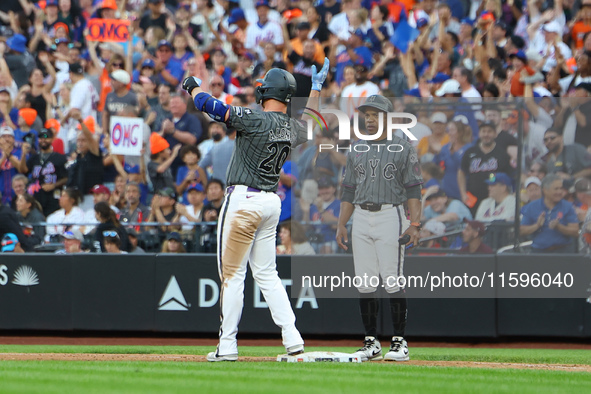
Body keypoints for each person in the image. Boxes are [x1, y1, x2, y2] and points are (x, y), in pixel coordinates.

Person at [181, 57, 331, 361]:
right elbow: (313, 121)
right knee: (267, 274)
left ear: (267, 92)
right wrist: (315, 88)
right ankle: (293, 338)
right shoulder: (291, 127)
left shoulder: (254, 117)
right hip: (270, 202)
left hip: (243, 201)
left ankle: (227, 345)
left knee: (233, 275)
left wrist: (193, 88)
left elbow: (215, 108)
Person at [335, 94, 423, 362]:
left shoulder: (403, 147)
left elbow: (414, 189)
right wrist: (341, 223)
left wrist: (415, 224)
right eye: (367, 115)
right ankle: (371, 342)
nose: (370, 119)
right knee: (365, 282)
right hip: (360, 215)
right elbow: (348, 190)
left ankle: (399, 342)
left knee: (392, 279)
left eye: (375, 115)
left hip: (390, 213)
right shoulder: (357, 148)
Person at [520, 174, 580, 253]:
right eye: (556, 189)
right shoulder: (532, 207)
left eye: (561, 188)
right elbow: (521, 231)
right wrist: (537, 225)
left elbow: (575, 232)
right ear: (545, 190)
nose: (559, 192)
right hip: (539, 252)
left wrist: (559, 227)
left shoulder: (568, 206)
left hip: (563, 252)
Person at [19, 128, 67, 216]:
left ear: (52, 139)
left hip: (53, 199)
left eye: (46, 137)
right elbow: (23, 170)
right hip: (36, 198)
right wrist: (23, 154)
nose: (43, 140)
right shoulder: (34, 158)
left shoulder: (60, 158)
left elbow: (67, 178)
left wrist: (54, 185)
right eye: (41, 138)